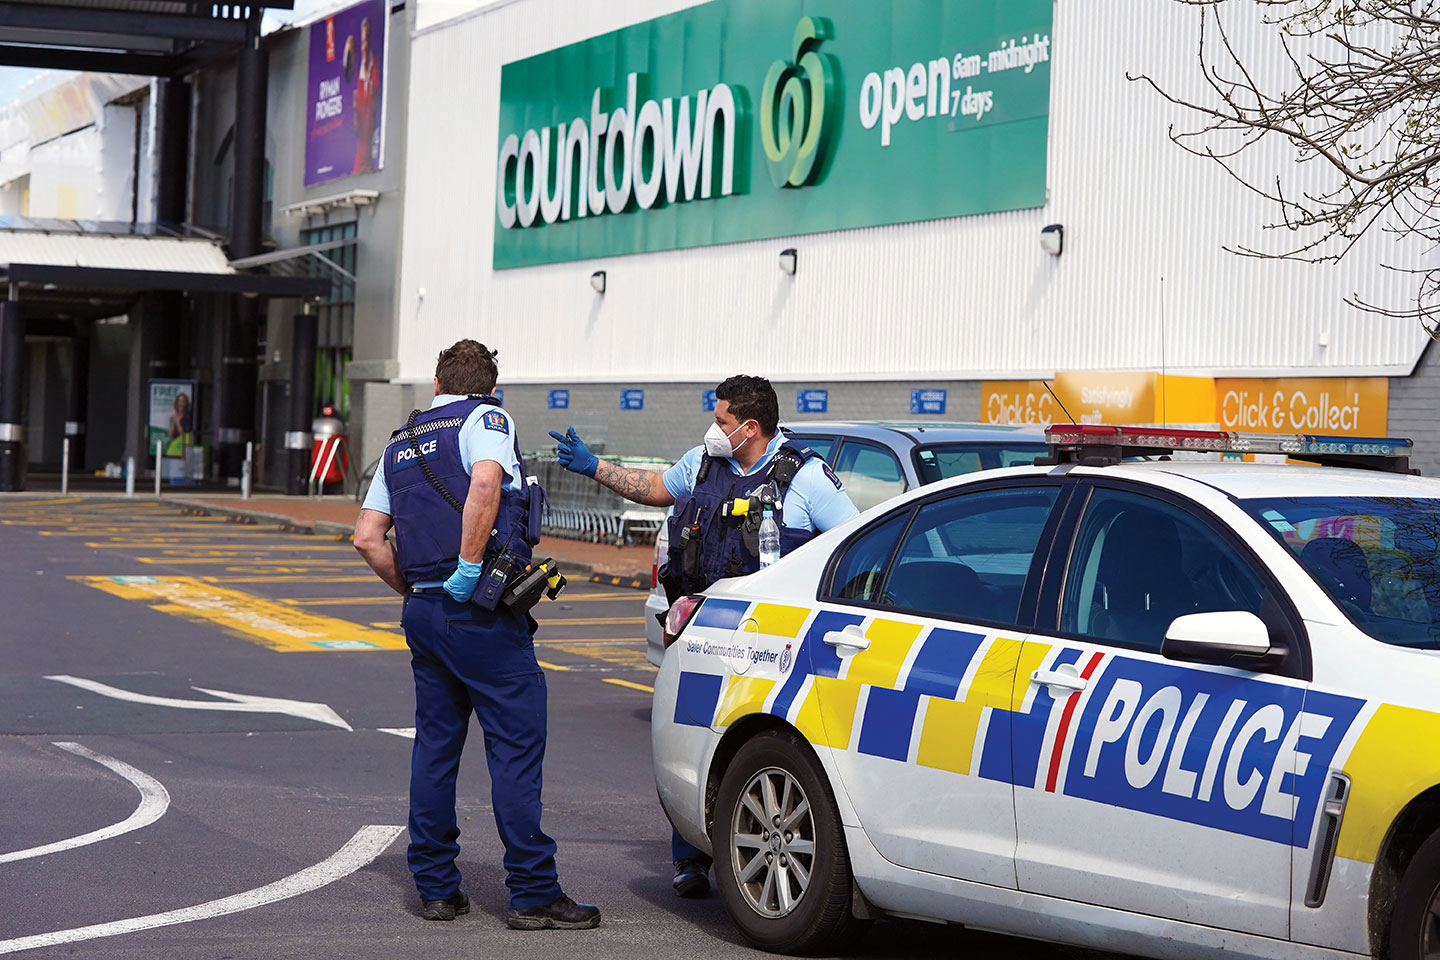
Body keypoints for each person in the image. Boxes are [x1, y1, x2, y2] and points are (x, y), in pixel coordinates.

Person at [549, 374, 858, 898]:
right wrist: (593, 466)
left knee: (760, 749)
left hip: (770, 646)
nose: (713, 429)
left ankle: (754, 848)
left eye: (722, 421)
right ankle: (689, 855)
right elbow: (653, 489)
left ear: (751, 427)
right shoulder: (704, 461)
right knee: (691, 742)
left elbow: (852, 545)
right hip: (699, 636)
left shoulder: (806, 480)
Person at [354, 339, 600, 930]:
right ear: (490, 387)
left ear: (437, 384)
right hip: (480, 612)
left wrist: (416, 592)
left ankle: (437, 890)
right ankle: (533, 894)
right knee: (514, 752)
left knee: (435, 748)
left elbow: (367, 536)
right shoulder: (487, 418)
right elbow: (487, 484)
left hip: (424, 611)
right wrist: (466, 571)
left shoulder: (401, 440)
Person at [352, 16, 380, 175]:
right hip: (362, 129)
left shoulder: (372, 63)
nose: (364, 46)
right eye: (362, 42)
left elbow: (374, 96)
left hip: (370, 127)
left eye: (366, 40)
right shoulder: (361, 69)